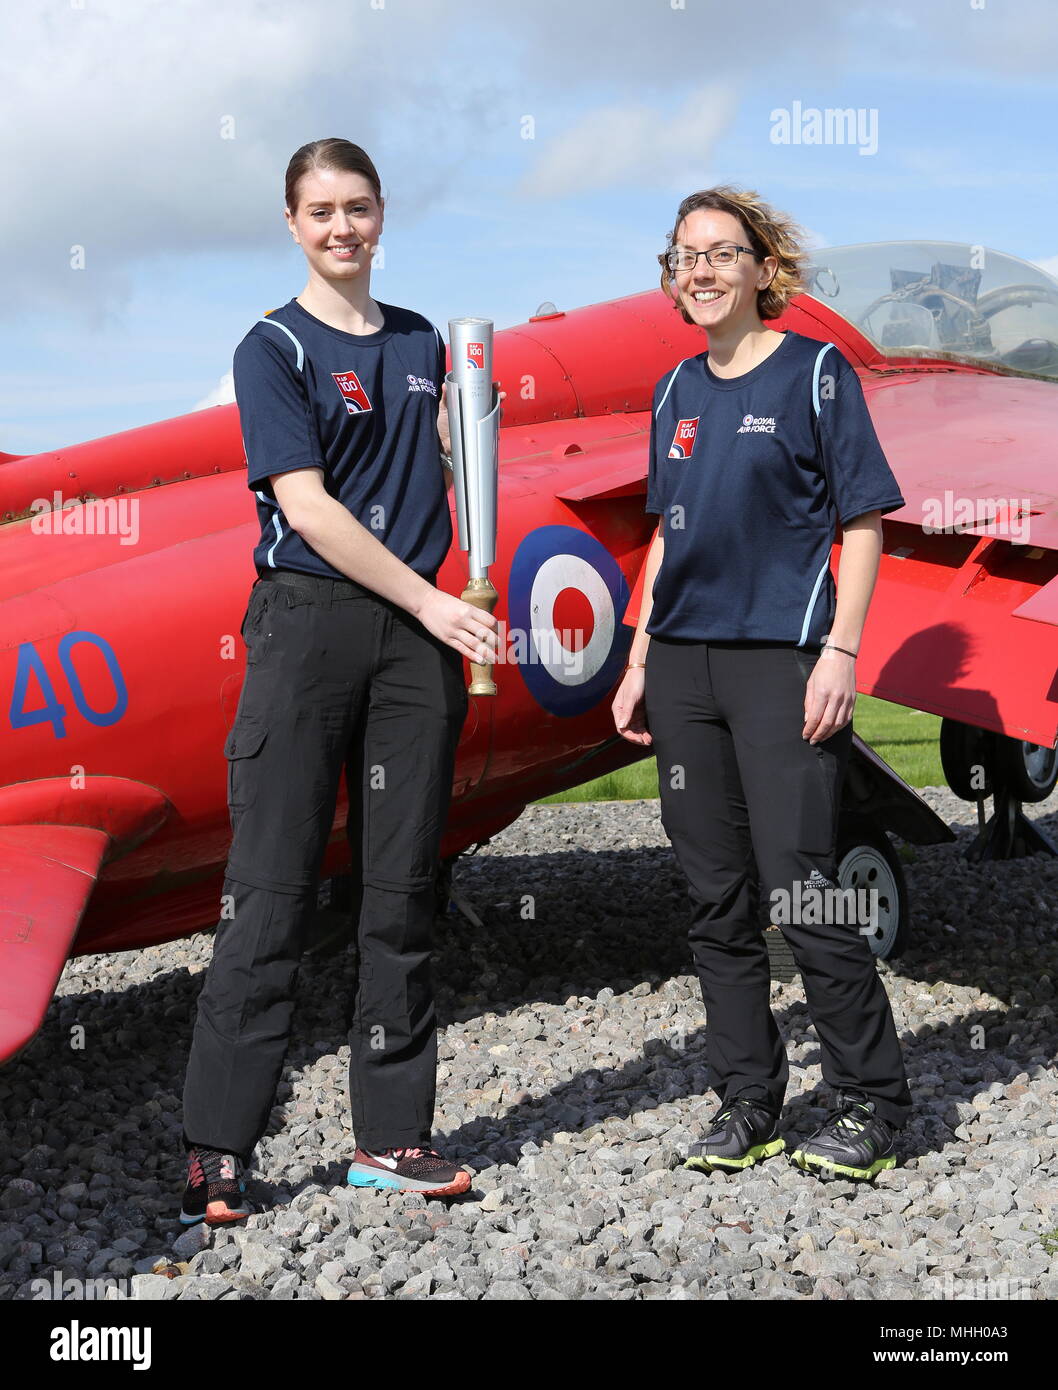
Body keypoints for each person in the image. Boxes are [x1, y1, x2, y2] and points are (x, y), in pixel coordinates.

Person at [179, 138, 500, 1224]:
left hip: (415, 646)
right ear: (291, 222)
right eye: (319, 211)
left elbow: (451, 467)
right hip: (313, 625)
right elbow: (307, 506)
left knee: (400, 891)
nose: (341, 228)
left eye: (357, 208)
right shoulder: (272, 347)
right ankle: (219, 1148)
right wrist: (430, 599)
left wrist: (476, 495)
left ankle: (390, 1135)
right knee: (268, 892)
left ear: (381, 213)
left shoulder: (421, 342)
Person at [613, 185, 912, 1181]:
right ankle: (748, 1101)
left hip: (781, 663)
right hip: (684, 666)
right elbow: (665, 534)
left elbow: (861, 521)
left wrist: (839, 651)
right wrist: (637, 654)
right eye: (683, 256)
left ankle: (871, 1101)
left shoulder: (817, 375)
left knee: (801, 889)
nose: (699, 270)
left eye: (720, 253)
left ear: (759, 269)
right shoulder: (672, 393)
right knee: (713, 899)